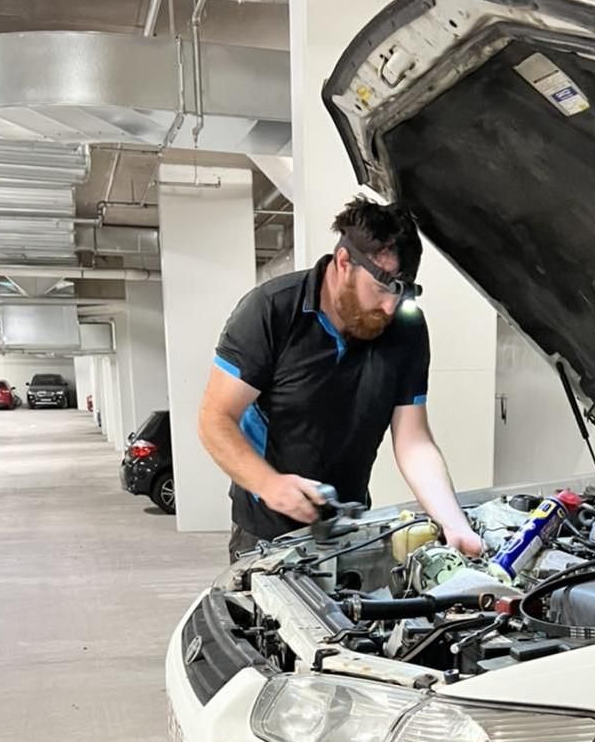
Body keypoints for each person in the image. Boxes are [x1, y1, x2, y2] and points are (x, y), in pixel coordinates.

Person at [198, 197, 483, 561]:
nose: (389, 308)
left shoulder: (406, 329)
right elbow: (214, 419)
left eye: (402, 291)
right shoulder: (271, 310)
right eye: (382, 288)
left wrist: (453, 523)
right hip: (265, 532)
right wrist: (269, 485)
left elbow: (413, 441)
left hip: (349, 525)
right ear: (344, 262)